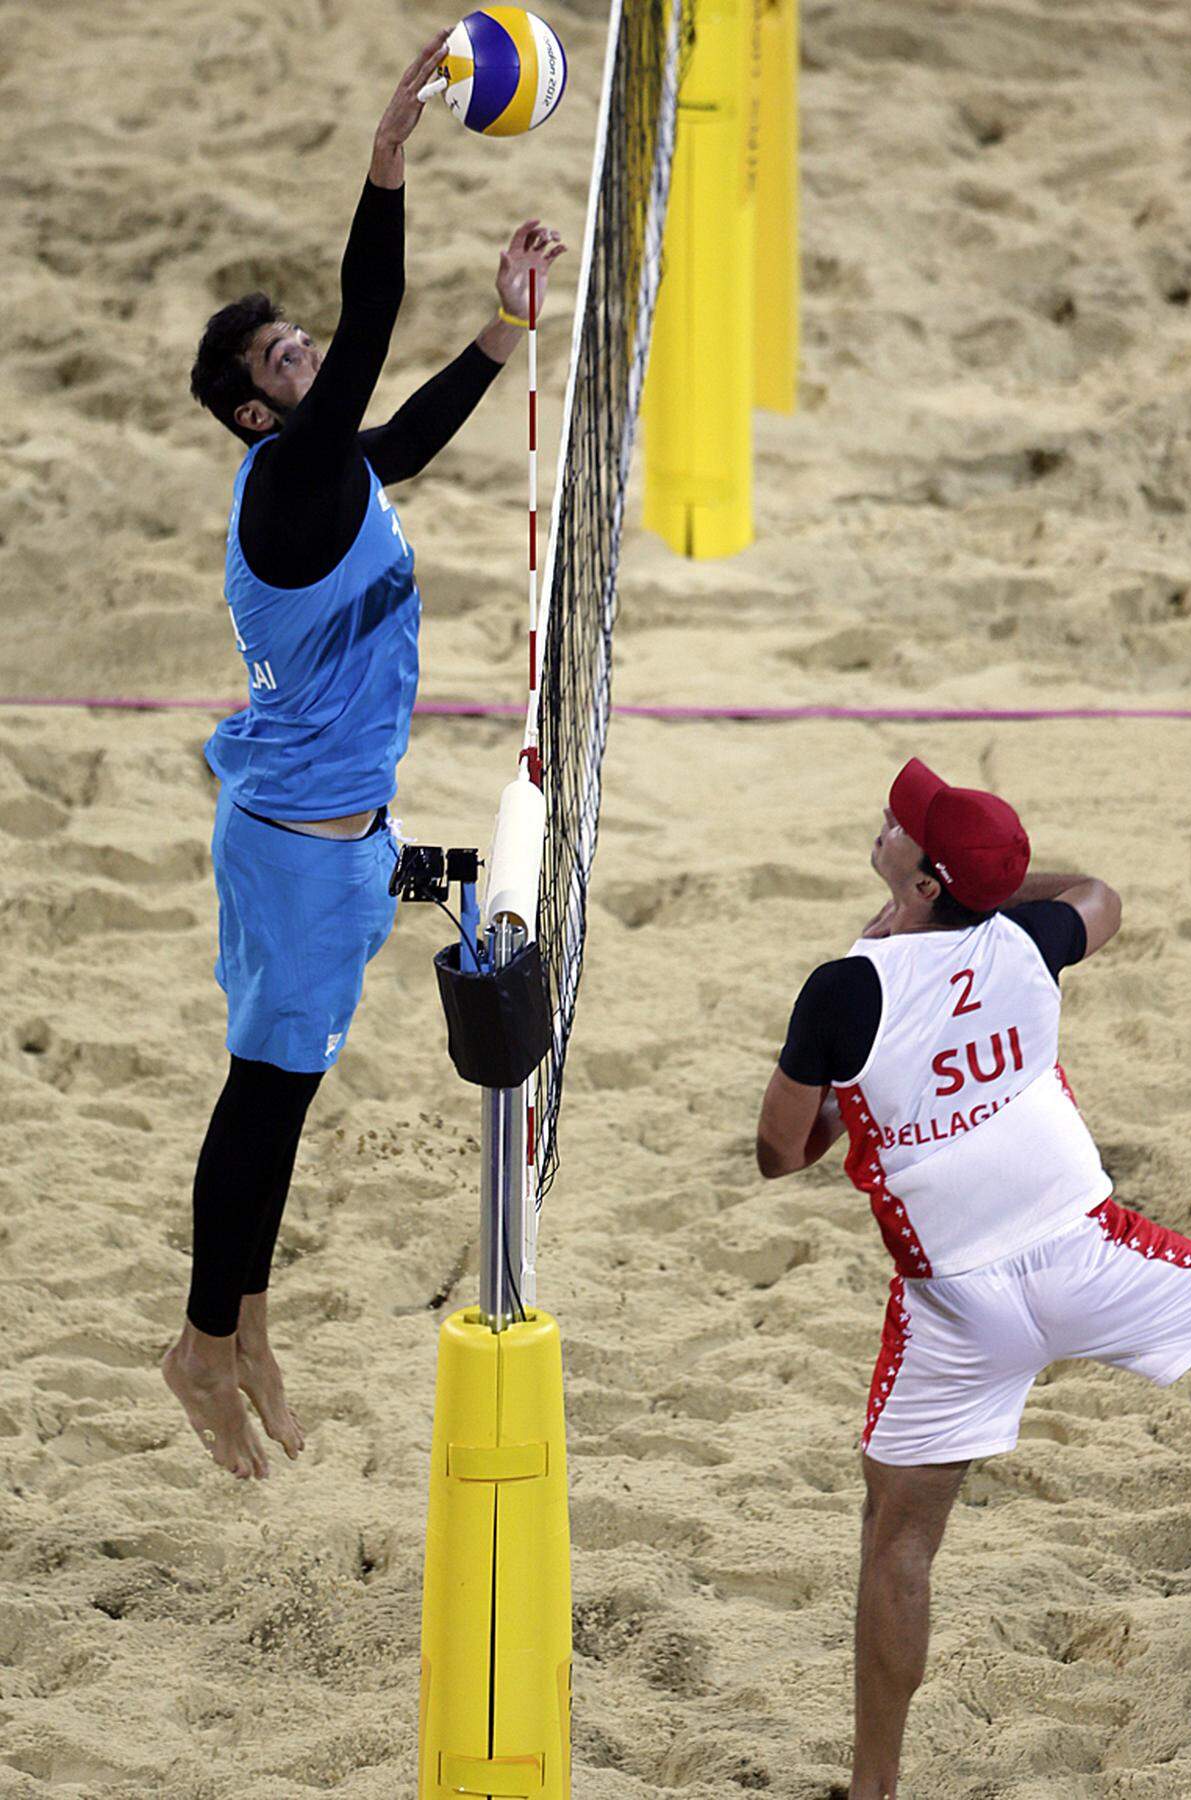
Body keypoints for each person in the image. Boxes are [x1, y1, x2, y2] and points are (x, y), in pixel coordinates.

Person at [163, 30, 567, 1482]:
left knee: (283, 1098)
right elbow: (375, 312)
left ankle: (243, 1322)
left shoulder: (329, 474)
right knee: (262, 1101)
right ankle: (205, 1341)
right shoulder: (285, 490)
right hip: (293, 853)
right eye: (286, 358)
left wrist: (509, 330)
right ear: (258, 412)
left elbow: (404, 435)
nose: (310, 354)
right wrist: (388, 161)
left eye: (298, 342)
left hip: (336, 840)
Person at [756, 757, 1191, 1800]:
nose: (889, 818)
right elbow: (1102, 898)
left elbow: (780, 1153)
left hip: (957, 1310)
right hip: (1095, 1256)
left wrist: (851, 1080)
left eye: (905, 829)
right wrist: (1001, 889)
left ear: (919, 885)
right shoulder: (1031, 942)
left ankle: (873, 1792)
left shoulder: (846, 987)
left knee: (898, 1544)